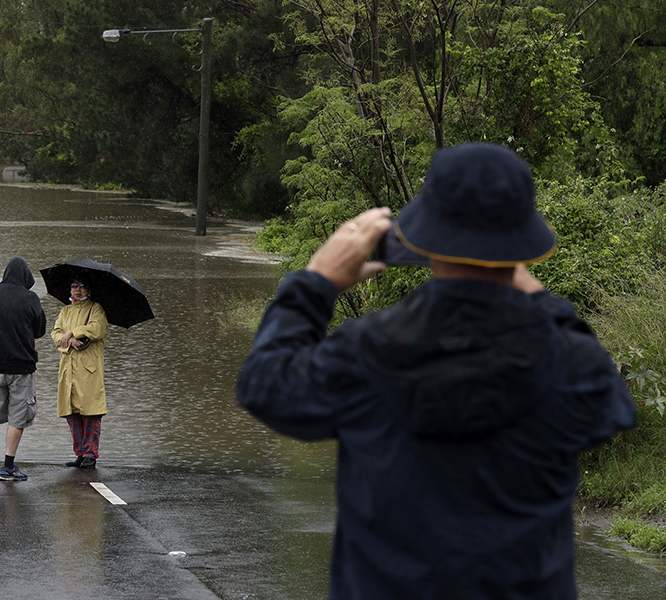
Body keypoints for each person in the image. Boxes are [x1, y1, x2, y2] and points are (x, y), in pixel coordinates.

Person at [236, 143, 636, 599]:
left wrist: (314, 283)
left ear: (424, 237)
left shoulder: (364, 349)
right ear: (520, 244)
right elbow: (613, 408)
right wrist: (542, 300)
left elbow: (265, 385)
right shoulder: (568, 359)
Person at [0, 257, 47, 482]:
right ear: (26, 278)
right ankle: (8, 467)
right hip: (22, 369)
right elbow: (40, 330)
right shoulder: (30, 298)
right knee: (18, 417)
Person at [51, 280, 108, 468]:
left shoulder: (96, 309)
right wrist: (68, 340)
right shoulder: (65, 311)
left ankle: (91, 454)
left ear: (89, 289)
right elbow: (56, 332)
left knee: (91, 413)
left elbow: (97, 329)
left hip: (88, 371)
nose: (77, 290)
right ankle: (80, 453)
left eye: (82, 286)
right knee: (72, 413)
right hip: (68, 369)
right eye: (74, 285)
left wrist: (73, 333)